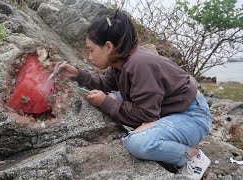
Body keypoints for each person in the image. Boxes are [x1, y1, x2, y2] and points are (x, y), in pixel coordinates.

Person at [60, 10, 211, 180]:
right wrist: (77, 75)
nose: (89, 57)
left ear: (108, 47)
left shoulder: (139, 65)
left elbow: (146, 114)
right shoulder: (120, 62)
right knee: (113, 97)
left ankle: (192, 156)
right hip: (168, 110)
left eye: (91, 50)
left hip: (191, 115)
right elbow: (105, 84)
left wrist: (106, 103)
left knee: (138, 143)